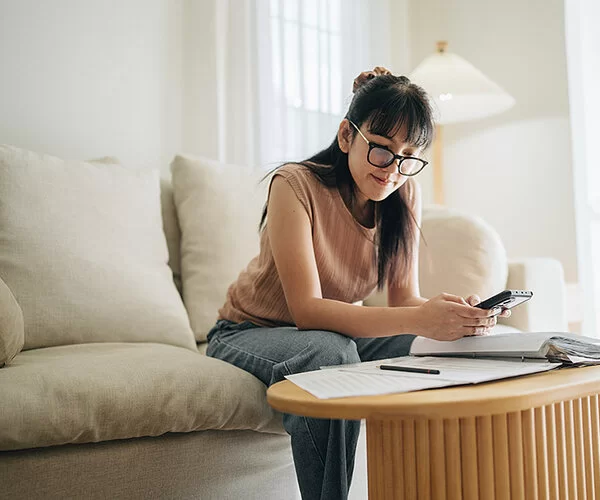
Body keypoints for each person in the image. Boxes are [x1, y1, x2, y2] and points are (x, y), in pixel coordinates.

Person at [206, 67, 511, 500]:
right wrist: (418, 318)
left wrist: (451, 318)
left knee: (461, 346)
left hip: (333, 332)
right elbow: (307, 311)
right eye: (382, 151)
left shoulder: (403, 193)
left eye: (408, 156)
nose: (393, 170)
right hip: (252, 331)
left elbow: (404, 298)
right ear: (347, 136)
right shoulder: (294, 185)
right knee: (331, 352)